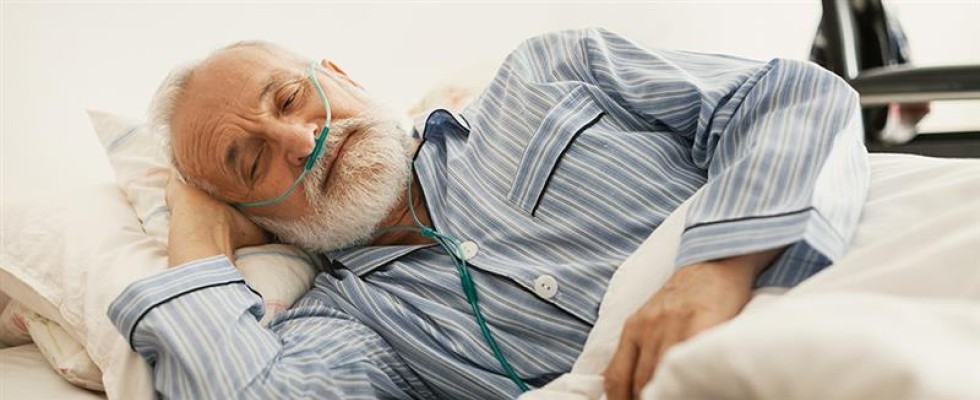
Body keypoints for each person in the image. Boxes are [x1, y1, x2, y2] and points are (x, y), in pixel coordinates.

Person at [108, 28, 869, 399]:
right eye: (250, 164)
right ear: (257, 220)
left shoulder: (550, 70)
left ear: (339, 74)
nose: (301, 140)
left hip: (850, 297)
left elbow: (793, 97)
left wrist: (715, 269)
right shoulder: (354, 324)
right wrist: (198, 235)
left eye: (289, 98)